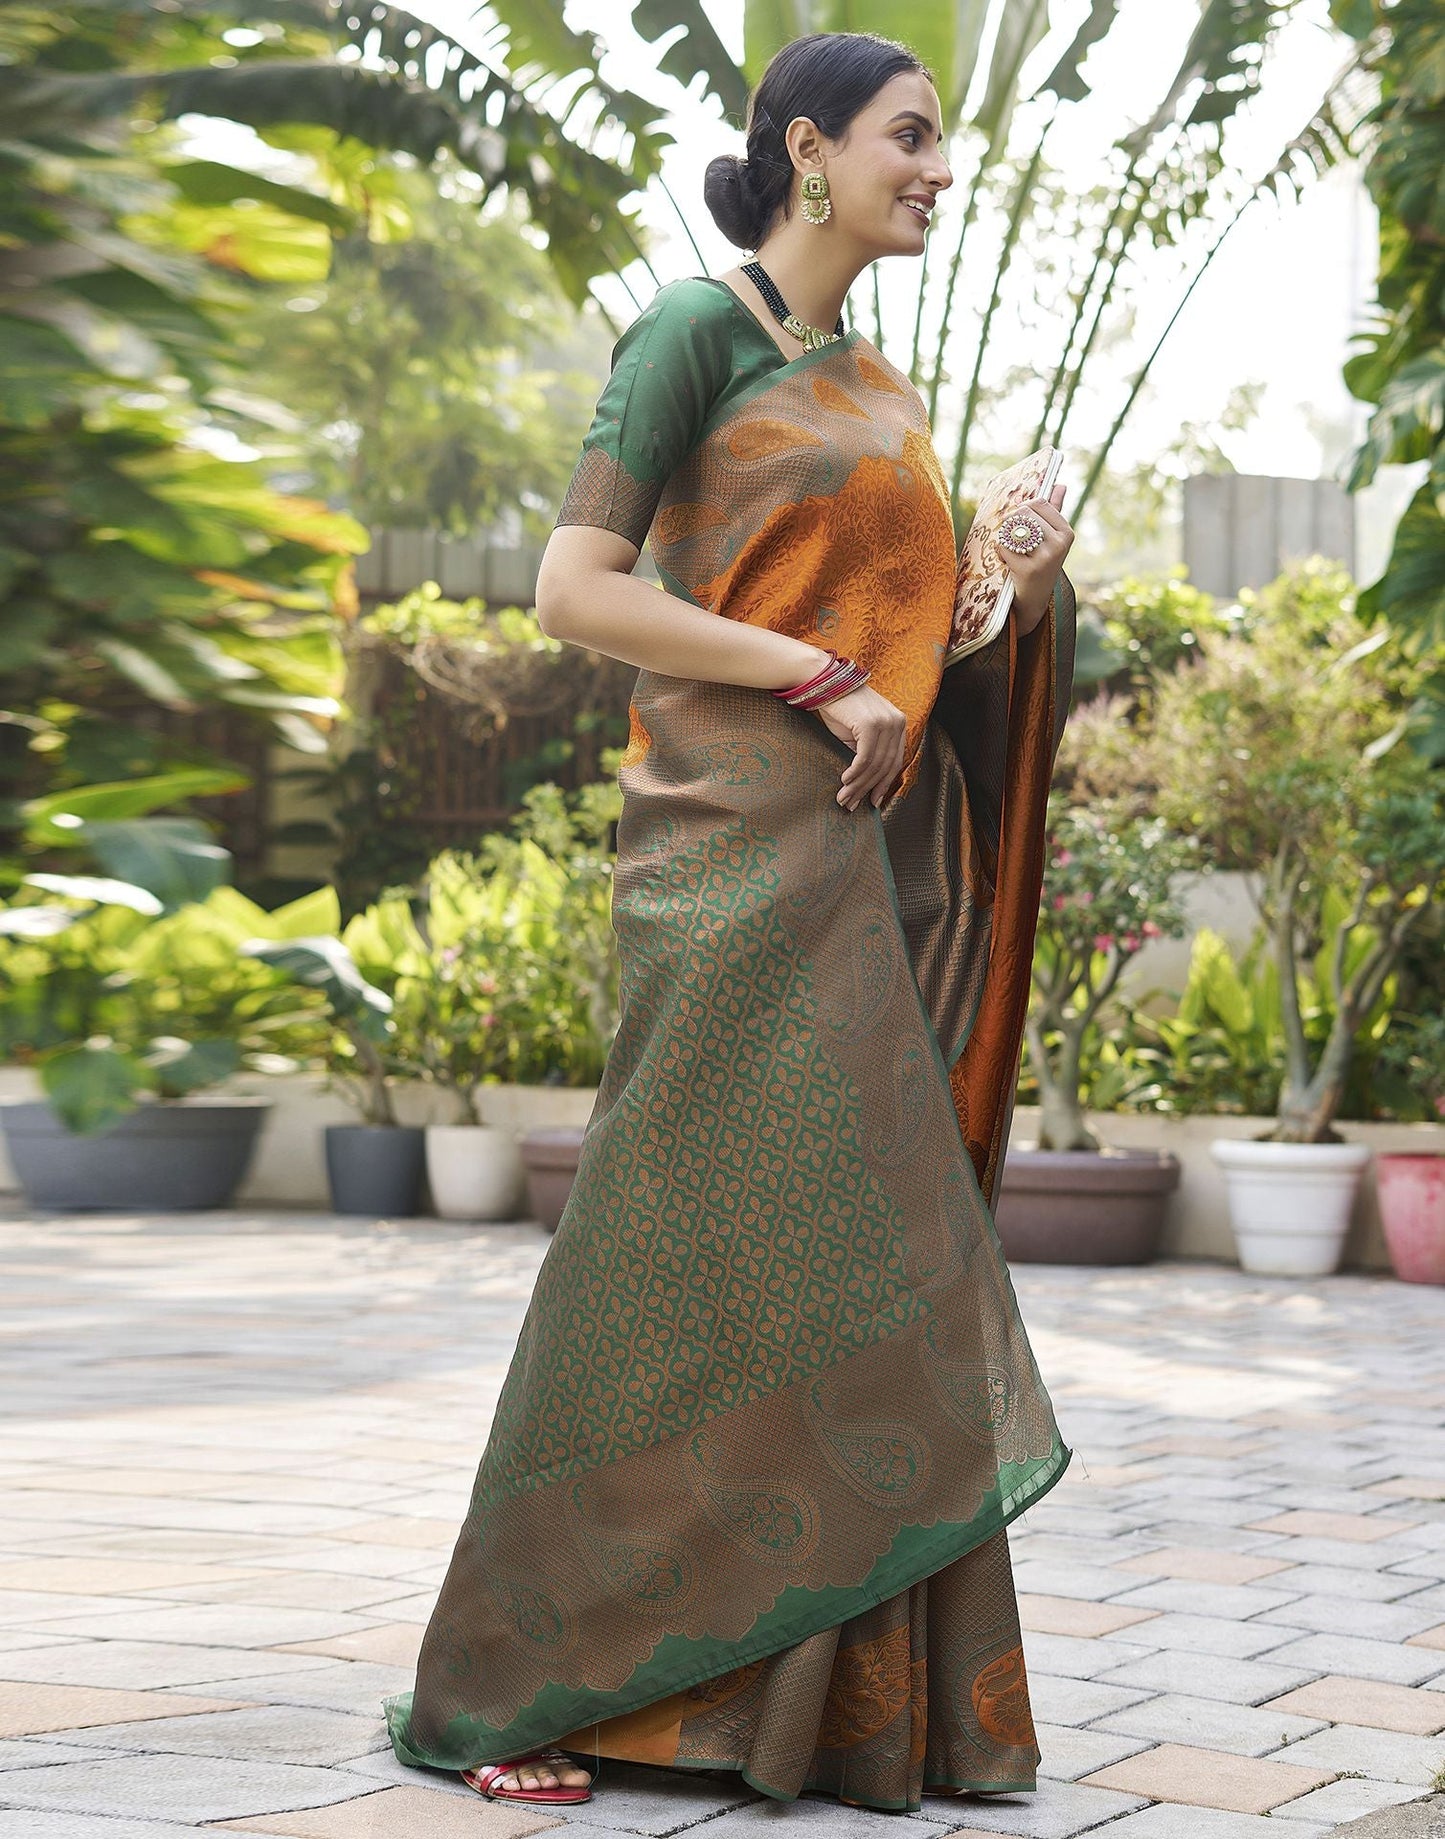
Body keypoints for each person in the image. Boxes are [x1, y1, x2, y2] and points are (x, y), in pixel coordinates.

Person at [383, 28, 1077, 1815]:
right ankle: (505, 1685)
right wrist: (815, 671)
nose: (936, 164)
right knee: (653, 1265)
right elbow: (574, 588)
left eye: (944, 141)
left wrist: (1004, 588)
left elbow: (916, 668)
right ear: (804, 148)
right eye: (908, 137)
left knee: (849, 1285)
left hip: (868, 866)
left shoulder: (878, 389)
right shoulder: (695, 331)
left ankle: (805, 1719)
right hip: (722, 862)